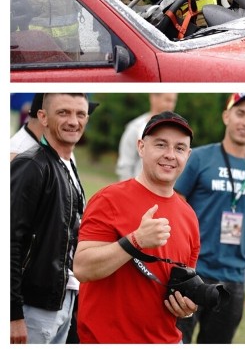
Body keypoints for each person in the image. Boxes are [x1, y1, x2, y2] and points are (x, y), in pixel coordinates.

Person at [73, 112, 200, 343]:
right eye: (161, 145)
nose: (170, 155)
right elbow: (82, 268)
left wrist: (187, 306)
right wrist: (135, 241)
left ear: (188, 155)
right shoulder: (109, 199)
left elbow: (184, 285)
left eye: (180, 148)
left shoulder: (189, 216)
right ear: (141, 147)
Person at [174, 93, 245, 344]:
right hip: (192, 273)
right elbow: (174, 209)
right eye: (240, 113)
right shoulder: (198, 158)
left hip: (233, 282)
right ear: (226, 116)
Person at [10, 94, 91, 344]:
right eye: (63, 112)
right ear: (43, 117)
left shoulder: (66, 163)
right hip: (32, 306)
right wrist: (13, 313)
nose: (73, 121)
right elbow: (10, 240)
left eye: (80, 114)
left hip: (63, 298)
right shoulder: (32, 164)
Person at [115, 93, 179, 181]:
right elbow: (125, 165)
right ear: (153, 97)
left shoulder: (178, 131)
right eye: (167, 100)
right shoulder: (136, 128)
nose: (170, 105)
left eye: (173, 101)